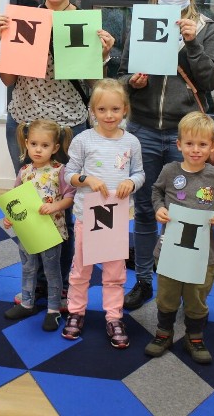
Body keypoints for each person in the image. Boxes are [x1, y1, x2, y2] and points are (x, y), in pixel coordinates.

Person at [0, 0, 115, 311]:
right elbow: (7, 80)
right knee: (29, 207)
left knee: (61, 208)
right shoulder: (24, 20)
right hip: (24, 122)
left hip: (68, 128)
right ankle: (32, 289)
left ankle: (60, 289)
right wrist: (3, 44)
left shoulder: (85, 23)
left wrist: (104, 54)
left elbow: (95, 83)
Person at [118, 0, 214, 311]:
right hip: (144, 129)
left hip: (188, 136)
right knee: (147, 210)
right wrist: (132, 83)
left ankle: (179, 280)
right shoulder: (141, 23)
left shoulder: (208, 28)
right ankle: (146, 280)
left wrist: (192, 44)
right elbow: (120, 76)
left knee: (188, 211)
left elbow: (212, 81)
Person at [144, 112, 214, 363]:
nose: (196, 150)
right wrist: (158, 208)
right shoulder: (170, 171)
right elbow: (156, 192)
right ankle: (164, 332)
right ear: (179, 144)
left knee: (196, 296)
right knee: (167, 294)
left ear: (213, 145)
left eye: (203, 144)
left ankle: (194, 336)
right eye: (190, 144)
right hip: (170, 250)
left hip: (203, 253)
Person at [62, 79, 145, 349]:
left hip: (117, 219)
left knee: (114, 272)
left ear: (125, 110)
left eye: (115, 109)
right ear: (92, 110)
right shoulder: (83, 140)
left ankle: (113, 316)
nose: (109, 115)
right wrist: (86, 179)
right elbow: (69, 174)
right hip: (87, 217)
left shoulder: (131, 142)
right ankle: (76, 312)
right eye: (102, 110)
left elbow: (139, 173)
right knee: (80, 269)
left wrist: (131, 183)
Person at [2, 120, 75, 331]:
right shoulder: (24, 171)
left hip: (51, 231)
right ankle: (27, 303)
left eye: (44, 145)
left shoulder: (59, 171)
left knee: (52, 271)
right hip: (27, 230)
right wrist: (10, 217)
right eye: (34, 144)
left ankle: (53, 310)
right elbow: (14, 199)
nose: (38, 149)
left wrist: (56, 207)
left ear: (55, 148)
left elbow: (70, 196)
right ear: (26, 143)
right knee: (28, 267)